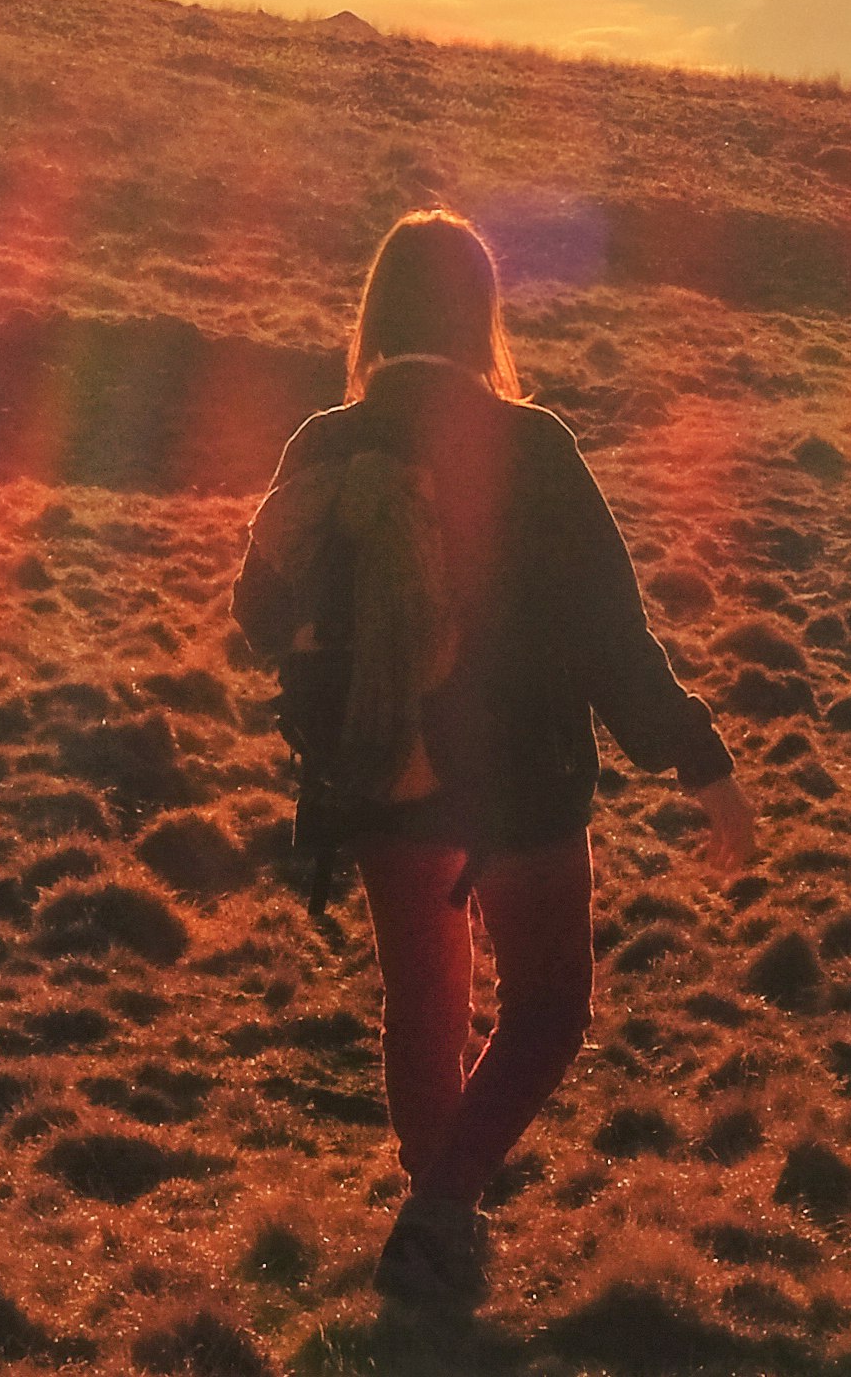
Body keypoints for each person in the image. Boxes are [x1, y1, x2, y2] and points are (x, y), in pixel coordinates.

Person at [230, 208, 757, 1320]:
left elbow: (258, 615)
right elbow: (613, 634)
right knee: (551, 1004)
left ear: (376, 312)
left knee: (424, 1002)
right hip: (520, 787)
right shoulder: (534, 446)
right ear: (482, 315)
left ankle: (438, 1232)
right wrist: (699, 761)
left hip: (373, 776)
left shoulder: (324, 443)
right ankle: (442, 1211)